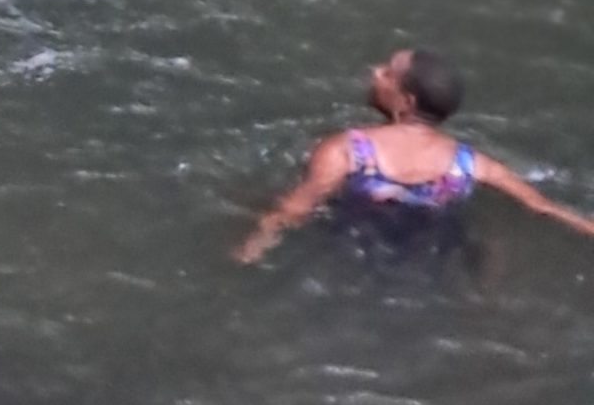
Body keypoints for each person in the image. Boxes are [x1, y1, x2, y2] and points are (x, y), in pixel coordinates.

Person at [238, 47, 594, 262]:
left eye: (388, 73)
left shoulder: (347, 150)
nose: (375, 72)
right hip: (428, 259)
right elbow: (540, 206)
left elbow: (294, 210)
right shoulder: (470, 163)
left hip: (350, 251)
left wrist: (251, 249)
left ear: (406, 101)